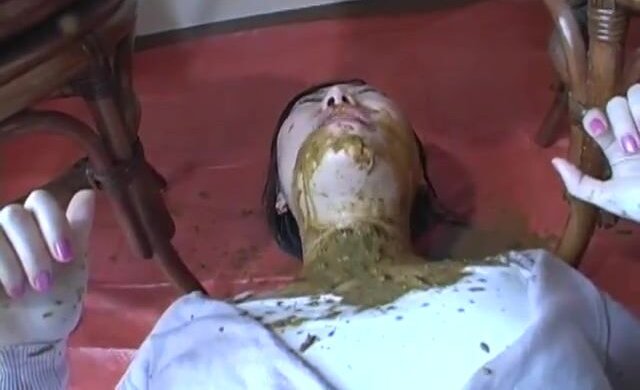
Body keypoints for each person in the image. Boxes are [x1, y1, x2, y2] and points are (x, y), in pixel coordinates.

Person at [0, 80, 639, 390]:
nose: (336, 97)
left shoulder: (534, 281)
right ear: (281, 194)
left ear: (418, 177)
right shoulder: (187, 329)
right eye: (310, 107)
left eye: (365, 95)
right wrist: (24, 356)